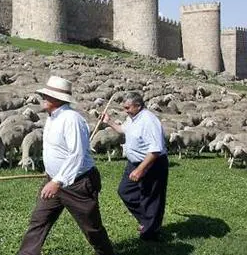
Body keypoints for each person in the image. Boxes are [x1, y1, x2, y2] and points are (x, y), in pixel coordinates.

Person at [18, 76, 114, 255]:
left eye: (46, 96)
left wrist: (58, 181)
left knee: (92, 228)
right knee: (38, 222)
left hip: (78, 184)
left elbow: (76, 154)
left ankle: (106, 253)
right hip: (54, 180)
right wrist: (52, 176)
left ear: (57, 99)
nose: (42, 99)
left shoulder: (71, 119)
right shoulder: (52, 118)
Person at [102, 91, 169, 241]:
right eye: (124, 107)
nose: (125, 110)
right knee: (125, 191)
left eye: (127, 107)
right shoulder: (132, 118)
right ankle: (148, 221)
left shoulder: (149, 121)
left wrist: (141, 169)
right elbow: (123, 130)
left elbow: (155, 150)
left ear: (138, 106)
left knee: (150, 197)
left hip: (152, 163)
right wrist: (109, 121)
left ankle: (150, 234)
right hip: (134, 162)